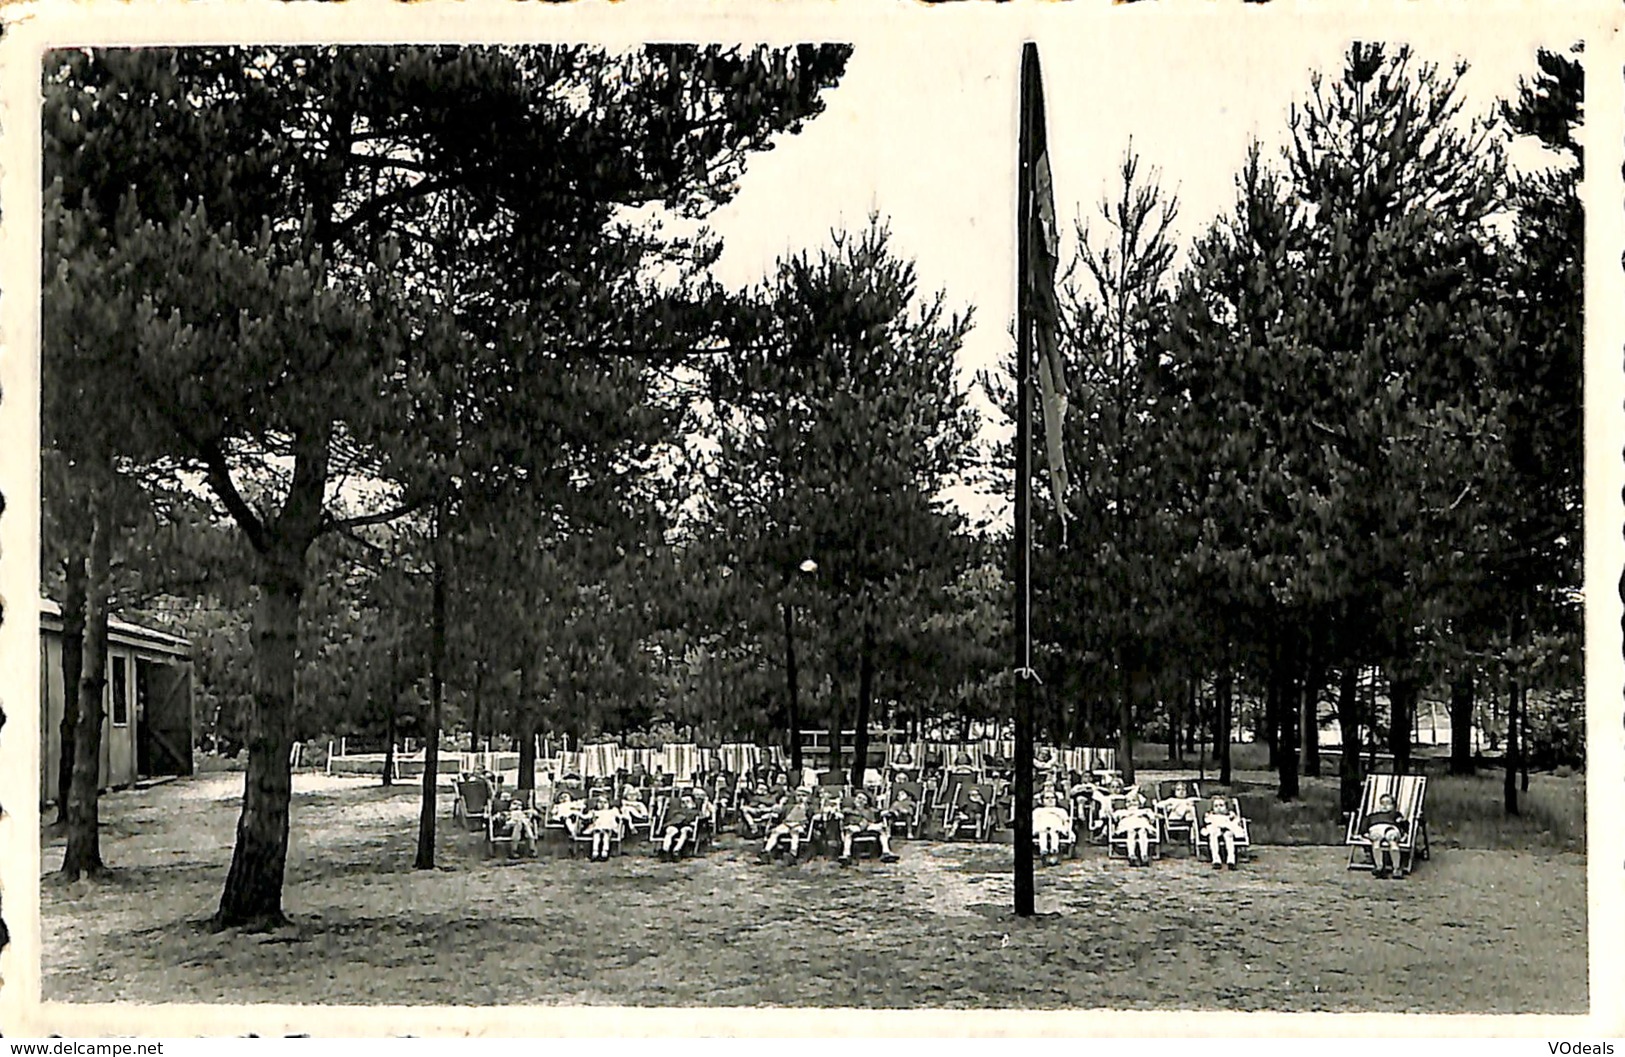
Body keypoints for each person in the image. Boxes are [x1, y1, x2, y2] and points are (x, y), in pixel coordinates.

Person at [839, 790, 899, 864]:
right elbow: (841, 814)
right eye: (858, 798)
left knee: (882, 829)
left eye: (863, 799)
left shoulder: (870, 810)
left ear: (866, 802)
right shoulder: (848, 810)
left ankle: (886, 852)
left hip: (869, 826)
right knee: (848, 832)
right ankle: (846, 854)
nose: (860, 801)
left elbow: (881, 812)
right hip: (855, 826)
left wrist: (889, 812)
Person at [1360, 793, 1409, 878]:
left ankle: (1396, 868)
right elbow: (1364, 826)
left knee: (1392, 839)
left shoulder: (1396, 814)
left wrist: (1402, 825)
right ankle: (1379, 867)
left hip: (1390, 828)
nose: (1384, 806)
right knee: (1376, 839)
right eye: (1382, 803)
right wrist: (1365, 833)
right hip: (1375, 828)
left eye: (1388, 803)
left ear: (1394, 806)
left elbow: (1404, 826)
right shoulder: (1372, 816)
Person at [762, 788, 813, 863]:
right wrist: (779, 806)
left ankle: (793, 853)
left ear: (807, 797)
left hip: (799, 824)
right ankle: (766, 851)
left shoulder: (808, 807)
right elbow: (780, 812)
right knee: (775, 832)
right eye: (798, 796)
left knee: (795, 833)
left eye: (803, 796)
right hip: (787, 824)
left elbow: (811, 815)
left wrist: (806, 809)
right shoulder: (789, 806)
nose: (801, 798)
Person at [1113, 789, 1158, 866]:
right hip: (1128, 827)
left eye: (1134, 801)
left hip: (1141, 825)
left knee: (1142, 832)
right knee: (1131, 832)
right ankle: (1131, 855)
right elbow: (1114, 817)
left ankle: (1144, 855)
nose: (1131, 803)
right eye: (1128, 801)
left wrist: (1153, 816)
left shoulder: (1145, 810)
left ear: (1139, 803)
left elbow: (1152, 818)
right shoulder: (1122, 811)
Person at [1202, 795, 1247, 871]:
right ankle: (1216, 859)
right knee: (1213, 836)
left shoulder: (1230, 815)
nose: (1219, 808)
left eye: (1221, 805)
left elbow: (1236, 822)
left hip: (1227, 830)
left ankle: (1231, 860)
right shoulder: (1211, 815)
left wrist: (1230, 823)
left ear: (1226, 806)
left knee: (1228, 837)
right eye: (1216, 806)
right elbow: (1208, 821)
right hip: (1216, 830)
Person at [1033, 785, 1072, 866]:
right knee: (1043, 833)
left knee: (1054, 833)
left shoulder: (1060, 810)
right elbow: (1034, 821)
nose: (1050, 800)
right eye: (1047, 798)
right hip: (1042, 828)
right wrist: (1035, 829)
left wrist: (1066, 830)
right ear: (1042, 801)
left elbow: (1066, 821)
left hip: (1056, 828)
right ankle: (1044, 851)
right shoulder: (1038, 810)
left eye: (1052, 798)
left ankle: (1054, 850)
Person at [659, 791, 701, 861]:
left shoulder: (695, 811)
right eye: (683, 802)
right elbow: (671, 819)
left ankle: (676, 851)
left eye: (687, 801)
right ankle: (665, 851)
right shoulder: (676, 810)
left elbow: (700, 817)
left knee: (684, 831)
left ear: (692, 802)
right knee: (670, 831)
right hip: (675, 824)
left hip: (686, 825)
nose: (685, 803)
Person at [493, 793, 537, 858]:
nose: (517, 806)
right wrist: (500, 816)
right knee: (518, 824)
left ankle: (532, 849)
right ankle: (514, 850)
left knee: (525, 825)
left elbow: (535, 813)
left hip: (523, 825)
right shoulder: (507, 813)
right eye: (514, 804)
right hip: (511, 824)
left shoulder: (523, 812)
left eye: (519, 805)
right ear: (510, 806)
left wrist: (530, 812)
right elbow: (497, 817)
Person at [585, 793, 623, 862]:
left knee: (606, 836)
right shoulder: (595, 812)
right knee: (596, 836)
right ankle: (595, 852)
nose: (602, 804)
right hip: (597, 827)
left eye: (605, 802)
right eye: (600, 802)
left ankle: (604, 852)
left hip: (608, 826)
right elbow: (586, 817)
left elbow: (620, 816)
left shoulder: (612, 811)